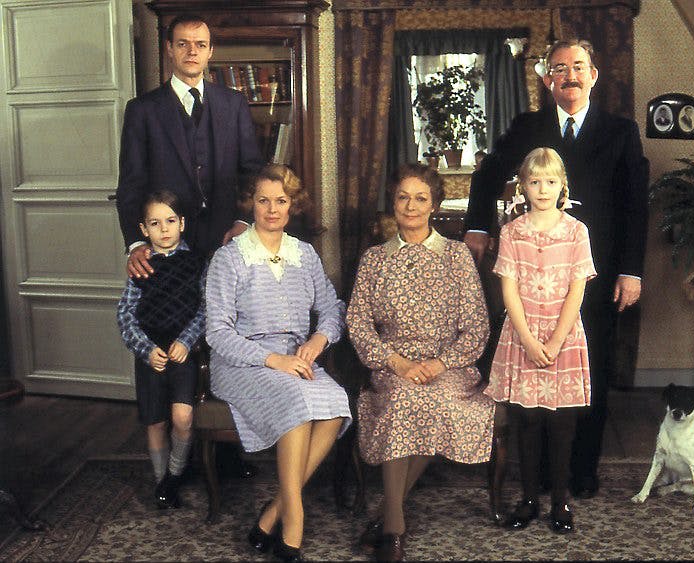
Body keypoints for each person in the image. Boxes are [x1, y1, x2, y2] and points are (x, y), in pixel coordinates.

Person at [465, 38, 649, 499]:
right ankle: (541, 476)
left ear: (593, 75)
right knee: (539, 369)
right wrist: (478, 228)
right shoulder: (527, 126)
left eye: (579, 67)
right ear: (549, 79)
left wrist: (631, 270)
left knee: (590, 370)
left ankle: (580, 472)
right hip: (535, 279)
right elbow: (488, 174)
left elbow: (635, 205)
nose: (570, 76)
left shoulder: (621, 131)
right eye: (560, 68)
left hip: (595, 273)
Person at [346, 164, 495, 563]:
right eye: (403, 197)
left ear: (434, 205)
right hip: (392, 366)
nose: (410, 206)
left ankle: (383, 517)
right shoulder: (375, 259)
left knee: (435, 402)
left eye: (420, 198)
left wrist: (441, 364)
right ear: (393, 203)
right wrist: (395, 362)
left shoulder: (457, 255)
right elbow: (357, 322)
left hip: (448, 368)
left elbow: (477, 326)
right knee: (403, 401)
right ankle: (395, 529)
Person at [206, 164, 351, 563]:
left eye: (281, 201)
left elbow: (332, 308)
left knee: (336, 405)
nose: (272, 210)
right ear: (250, 204)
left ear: (292, 205)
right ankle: (293, 528)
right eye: (263, 200)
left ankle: (271, 513)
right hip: (242, 363)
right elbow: (217, 333)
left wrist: (318, 340)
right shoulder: (229, 259)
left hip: (295, 359)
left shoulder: (304, 255)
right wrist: (272, 360)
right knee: (298, 402)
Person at [485, 147, 596, 534]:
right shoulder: (512, 232)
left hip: (563, 335)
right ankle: (529, 499)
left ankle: (560, 500)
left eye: (550, 182)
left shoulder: (577, 231)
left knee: (561, 422)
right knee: (528, 420)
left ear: (563, 185)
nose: (543, 189)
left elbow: (577, 289)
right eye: (535, 182)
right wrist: (530, 342)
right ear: (523, 187)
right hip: (523, 335)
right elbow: (509, 291)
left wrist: (556, 339)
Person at [117, 13, 263, 278]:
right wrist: (136, 242)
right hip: (166, 244)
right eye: (183, 44)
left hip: (227, 239)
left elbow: (251, 172)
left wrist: (244, 220)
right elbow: (131, 182)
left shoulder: (234, 103)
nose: (192, 51)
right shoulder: (142, 110)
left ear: (210, 51)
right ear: (169, 49)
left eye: (200, 44)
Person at [117, 191, 206, 509]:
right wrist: (145, 349)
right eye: (155, 223)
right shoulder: (141, 266)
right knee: (155, 422)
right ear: (144, 229)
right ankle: (162, 485)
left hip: (182, 351)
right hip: (150, 354)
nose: (164, 229)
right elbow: (125, 315)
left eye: (170, 221)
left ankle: (174, 476)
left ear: (182, 223)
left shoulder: (197, 263)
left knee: (182, 417)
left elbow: (205, 309)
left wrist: (187, 340)